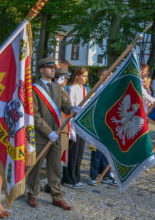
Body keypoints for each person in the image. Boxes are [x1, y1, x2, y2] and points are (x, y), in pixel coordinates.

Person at [26, 57, 76, 211]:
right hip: (41, 135)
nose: (53, 70)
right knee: (35, 167)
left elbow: (65, 105)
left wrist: (73, 110)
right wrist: (48, 132)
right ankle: (32, 194)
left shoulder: (57, 87)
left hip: (57, 133)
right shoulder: (34, 89)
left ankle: (57, 197)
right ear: (41, 70)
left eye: (54, 68)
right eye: (49, 67)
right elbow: (34, 115)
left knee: (55, 167)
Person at [88, 69, 116, 186]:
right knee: (97, 153)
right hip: (99, 123)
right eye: (107, 75)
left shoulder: (109, 89)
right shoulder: (98, 90)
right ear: (101, 77)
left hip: (108, 124)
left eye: (110, 75)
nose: (110, 77)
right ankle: (93, 176)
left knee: (106, 152)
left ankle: (106, 174)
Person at [62, 66, 88, 189]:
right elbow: (70, 108)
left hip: (81, 125)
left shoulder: (83, 89)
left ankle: (76, 176)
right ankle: (69, 178)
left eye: (87, 76)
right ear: (77, 76)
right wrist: (71, 127)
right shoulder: (71, 89)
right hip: (73, 124)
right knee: (72, 153)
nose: (86, 78)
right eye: (84, 76)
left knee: (79, 153)